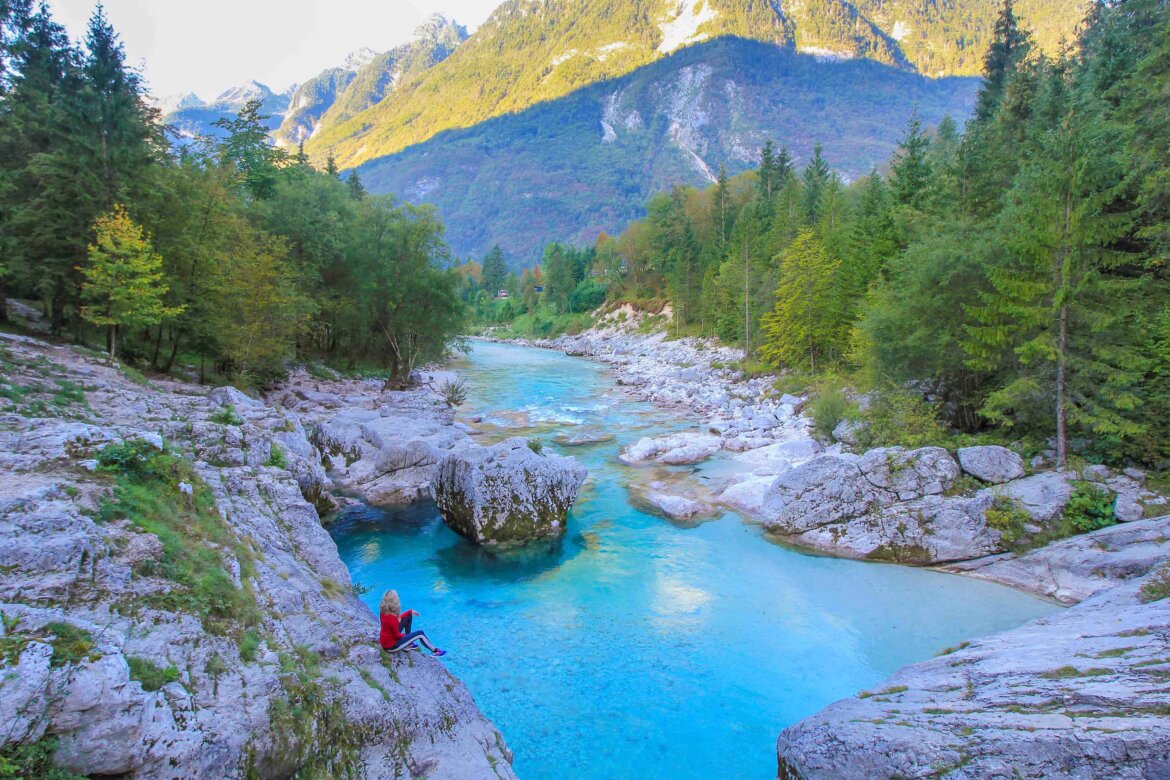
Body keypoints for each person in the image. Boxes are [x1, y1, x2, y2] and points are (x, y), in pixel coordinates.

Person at [379, 590, 446, 657]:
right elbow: (397, 636)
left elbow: (395, 620)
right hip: (391, 646)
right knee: (420, 633)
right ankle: (435, 650)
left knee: (408, 616)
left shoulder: (383, 611)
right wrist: (409, 636)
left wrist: (409, 612)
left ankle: (409, 643)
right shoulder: (392, 618)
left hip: (385, 641)